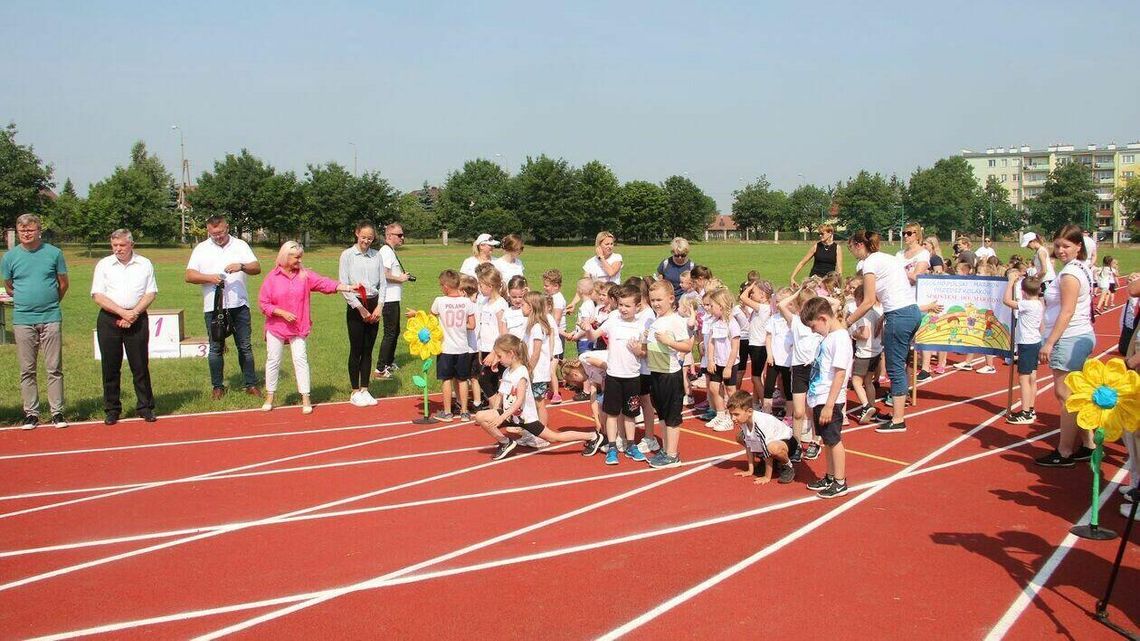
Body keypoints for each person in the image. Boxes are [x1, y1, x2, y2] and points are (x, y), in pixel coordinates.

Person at [258, 241, 355, 414]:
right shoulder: (272, 278)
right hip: (276, 327)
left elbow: (324, 283)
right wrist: (281, 312)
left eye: (300, 257)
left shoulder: (305, 276)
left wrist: (347, 287)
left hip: (298, 327)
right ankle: (270, 396)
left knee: (301, 359)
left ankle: (305, 397)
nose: (299, 260)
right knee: (273, 360)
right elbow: (264, 304)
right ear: (285, 257)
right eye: (296, 257)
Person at [846, 230, 927, 434]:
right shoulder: (888, 258)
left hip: (899, 315)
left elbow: (868, 300)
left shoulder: (870, 263)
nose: (851, 252)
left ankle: (898, 420)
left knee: (895, 367)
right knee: (899, 364)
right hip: (910, 312)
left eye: (851, 248)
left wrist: (847, 321)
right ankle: (897, 414)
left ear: (859, 245)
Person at [476, 334, 604, 461]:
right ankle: (505, 442)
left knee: (554, 437)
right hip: (510, 415)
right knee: (480, 416)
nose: (498, 360)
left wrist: (502, 417)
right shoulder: (507, 371)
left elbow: (519, 400)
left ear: (511, 353)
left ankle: (592, 436)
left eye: (500, 356)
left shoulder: (521, 372)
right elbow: (500, 393)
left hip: (525, 418)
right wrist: (496, 411)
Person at [1035, 225, 1097, 467]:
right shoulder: (1081, 267)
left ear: (1078, 246)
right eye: (1058, 245)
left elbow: (1067, 311)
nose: (1061, 250)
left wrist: (1049, 343)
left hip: (1068, 338)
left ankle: (1065, 451)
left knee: (1066, 396)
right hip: (1078, 335)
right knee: (1075, 395)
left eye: (1066, 246)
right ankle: (1089, 444)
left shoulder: (1070, 274)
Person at [1, 214, 69, 429]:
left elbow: (63, 283)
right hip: (23, 319)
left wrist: (50, 302)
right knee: (27, 369)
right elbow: (9, 286)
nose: (26, 233)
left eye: (30, 229)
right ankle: (31, 413)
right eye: (22, 230)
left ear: (39, 230)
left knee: (54, 368)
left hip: (50, 317)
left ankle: (57, 412)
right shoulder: (9, 257)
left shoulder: (54, 253)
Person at [185, 215, 261, 400]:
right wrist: (209, 278)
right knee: (215, 348)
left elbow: (256, 268)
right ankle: (217, 387)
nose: (217, 237)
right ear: (208, 231)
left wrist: (241, 266)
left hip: (239, 305)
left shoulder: (240, 245)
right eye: (213, 234)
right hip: (213, 307)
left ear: (227, 228)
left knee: (244, 347)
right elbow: (189, 275)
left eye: (220, 232)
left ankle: (250, 384)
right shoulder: (201, 248)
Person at [90, 229, 158, 425]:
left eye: (122, 245)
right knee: (110, 366)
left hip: (137, 317)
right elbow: (98, 295)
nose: (118, 249)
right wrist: (122, 312)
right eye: (114, 245)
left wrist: (133, 313)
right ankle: (112, 409)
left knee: (140, 365)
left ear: (131, 245)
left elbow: (151, 292)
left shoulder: (144, 263)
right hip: (109, 318)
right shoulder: (104, 264)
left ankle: (145, 407)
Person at [587, 283, 647, 465]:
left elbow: (645, 352)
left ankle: (631, 445)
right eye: (621, 304)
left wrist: (638, 351)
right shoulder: (613, 320)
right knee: (612, 413)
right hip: (613, 376)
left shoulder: (641, 326)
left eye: (627, 306)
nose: (623, 309)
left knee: (630, 414)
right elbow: (593, 336)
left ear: (638, 306)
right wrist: (588, 328)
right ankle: (612, 446)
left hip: (632, 377)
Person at [801, 296, 854, 498]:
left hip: (829, 399)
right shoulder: (830, 336)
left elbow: (840, 374)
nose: (813, 331)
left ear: (823, 318)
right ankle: (830, 476)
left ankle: (840, 481)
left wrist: (829, 405)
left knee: (833, 440)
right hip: (820, 397)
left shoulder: (840, 338)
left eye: (813, 326)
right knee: (827, 440)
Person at [411, 269, 475, 421]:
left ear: (446, 286)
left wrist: (416, 314)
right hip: (462, 347)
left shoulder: (439, 301)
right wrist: (460, 326)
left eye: (441, 285)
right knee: (462, 380)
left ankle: (447, 412)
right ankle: (464, 412)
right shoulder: (467, 302)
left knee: (446, 380)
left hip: (445, 348)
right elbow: (472, 325)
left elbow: (431, 321)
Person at [642, 279, 692, 468]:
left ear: (671, 299)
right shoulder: (656, 321)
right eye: (652, 300)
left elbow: (687, 346)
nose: (655, 304)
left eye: (659, 300)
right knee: (662, 415)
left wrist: (668, 342)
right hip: (655, 373)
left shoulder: (676, 321)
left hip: (670, 375)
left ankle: (672, 455)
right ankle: (665, 449)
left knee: (672, 416)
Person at [339, 221, 385, 407]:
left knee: (368, 349)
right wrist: (360, 308)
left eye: (370, 238)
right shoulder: (347, 255)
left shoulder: (377, 256)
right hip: (356, 303)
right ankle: (355, 390)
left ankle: (365, 389)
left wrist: (379, 306)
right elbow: (344, 285)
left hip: (374, 303)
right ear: (357, 233)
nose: (366, 241)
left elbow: (383, 283)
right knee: (356, 349)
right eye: (363, 237)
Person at [729, 391, 797, 485]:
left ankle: (788, 465)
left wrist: (767, 477)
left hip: (789, 442)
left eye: (736, 414)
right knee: (740, 437)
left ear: (749, 412)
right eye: (731, 414)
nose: (733, 418)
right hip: (772, 442)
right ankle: (770, 462)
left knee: (772, 448)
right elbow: (748, 445)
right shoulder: (744, 420)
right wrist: (750, 470)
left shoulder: (761, 423)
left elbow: (767, 451)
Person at [1003, 271, 1044, 425]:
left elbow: (1006, 301)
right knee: (1032, 377)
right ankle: (1030, 408)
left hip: (1027, 343)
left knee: (1023, 379)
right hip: (1035, 341)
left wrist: (1010, 282)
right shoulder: (1038, 303)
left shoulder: (1027, 304)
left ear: (1023, 292)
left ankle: (1026, 412)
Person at [375, 222, 412, 379]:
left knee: (394, 331)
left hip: (393, 298)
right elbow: (384, 274)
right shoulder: (386, 251)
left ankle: (388, 362)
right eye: (399, 235)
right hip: (388, 299)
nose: (402, 237)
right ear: (389, 236)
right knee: (390, 333)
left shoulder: (390, 251)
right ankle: (380, 369)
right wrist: (400, 278)